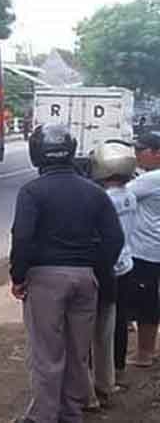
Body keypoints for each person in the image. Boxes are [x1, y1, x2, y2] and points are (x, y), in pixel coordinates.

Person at [10, 124, 124, 423]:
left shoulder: (32, 191)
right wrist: (95, 270)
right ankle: (71, 413)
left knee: (47, 353)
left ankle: (44, 416)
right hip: (86, 279)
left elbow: (22, 238)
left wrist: (18, 277)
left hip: (45, 280)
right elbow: (114, 239)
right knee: (77, 352)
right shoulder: (94, 191)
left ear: (37, 154)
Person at [85, 140, 138, 410]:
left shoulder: (102, 198)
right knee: (119, 321)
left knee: (99, 325)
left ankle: (95, 375)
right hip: (127, 264)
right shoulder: (129, 194)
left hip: (108, 267)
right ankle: (116, 370)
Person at [125, 131, 160, 367]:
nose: (136, 155)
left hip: (147, 251)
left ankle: (144, 354)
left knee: (146, 302)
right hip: (153, 248)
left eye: (141, 150)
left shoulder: (150, 180)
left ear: (157, 153)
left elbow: (115, 195)